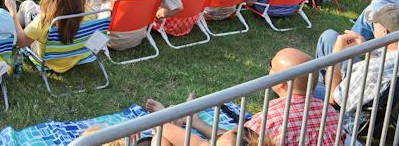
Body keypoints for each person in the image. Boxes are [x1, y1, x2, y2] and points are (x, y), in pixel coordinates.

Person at [146, 48, 342, 146]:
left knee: (161, 138)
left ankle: (161, 120)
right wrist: (196, 123)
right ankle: (182, 120)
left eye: (270, 66)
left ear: (281, 82)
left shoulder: (268, 120)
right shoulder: (330, 113)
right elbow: (237, 140)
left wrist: (166, 123)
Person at [315, 3, 399, 133]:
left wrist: (335, 55)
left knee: (292, 80)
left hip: (350, 118)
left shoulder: (371, 70)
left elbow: (334, 100)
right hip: (385, 109)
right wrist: (368, 51)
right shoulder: (394, 58)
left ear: (384, 32)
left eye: (374, 24)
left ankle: (317, 108)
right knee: (329, 36)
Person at [3, 0, 93, 74]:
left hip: (47, 59)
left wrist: (13, 12)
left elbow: (21, 42)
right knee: (29, 6)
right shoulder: (89, 13)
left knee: (26, 5)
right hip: (73, 55)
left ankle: (9, 33)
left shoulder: (43, 21)